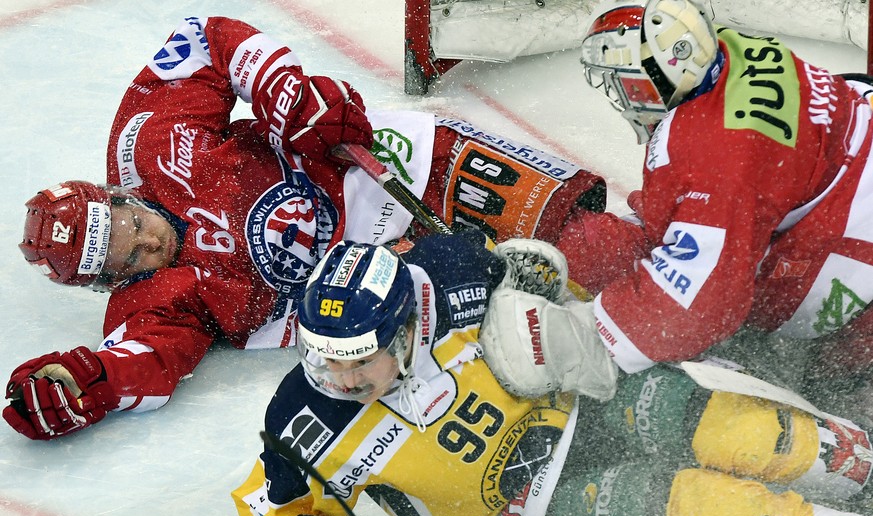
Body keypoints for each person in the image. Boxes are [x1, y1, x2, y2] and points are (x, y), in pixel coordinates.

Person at [2, 15, 606, 441]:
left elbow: (206, 39)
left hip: (389, 167)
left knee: (585, 242)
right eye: (131, 259)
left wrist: (285, 93)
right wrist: (90, 382)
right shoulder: (152, 306)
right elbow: (143, 363)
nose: (150, 242)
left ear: (116, 195)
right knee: (541, 334)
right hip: (389, 295)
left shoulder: (148, 140)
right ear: (110, 284)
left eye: (131, 223)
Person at [232, 232, 873, 516]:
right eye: (321, 357)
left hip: (584, 403)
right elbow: (271, 508)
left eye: (357, 358)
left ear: (405, 330)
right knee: (704, 510)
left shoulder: (451, 272)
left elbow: (552, 294)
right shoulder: (302, 420)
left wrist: (548, 291)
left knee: (754, 434)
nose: (338, 378)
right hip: (522, 513)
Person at [513, 0, 873, 415]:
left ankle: (850, 387)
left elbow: (703, 304)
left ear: (668, 70)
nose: (625, 98)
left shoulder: (718, 151)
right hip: (854, 146)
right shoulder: (727, 52)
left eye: (631, 84)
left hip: (856, 245)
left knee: (833, 399)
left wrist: (588, 337)